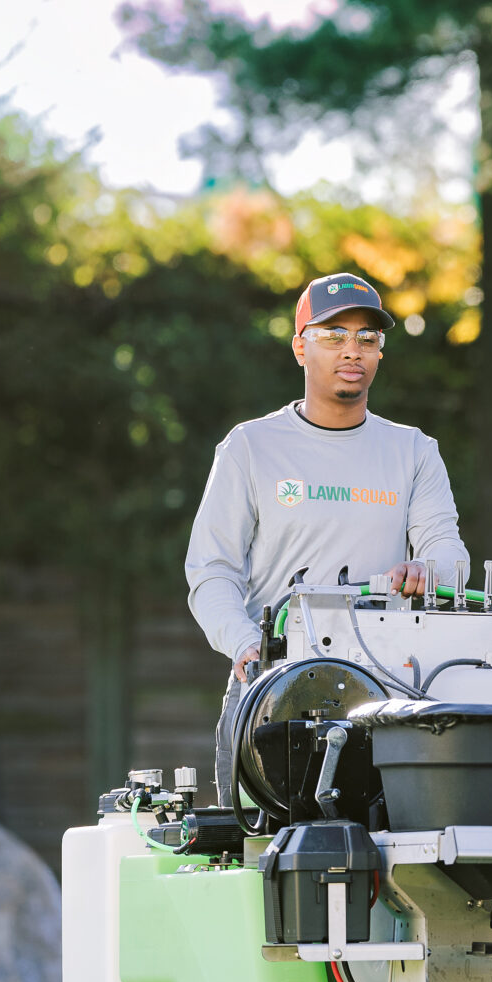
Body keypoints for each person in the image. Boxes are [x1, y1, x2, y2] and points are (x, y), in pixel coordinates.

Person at [185, 269, 469, 804]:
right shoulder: (251, 447)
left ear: (380, 353)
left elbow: (448, 552)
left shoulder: (413, 451)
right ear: (300, 347)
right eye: (333, 336)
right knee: (259, 861)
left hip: (384, 694)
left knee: (390, 863)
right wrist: (246, 644)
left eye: (367, 339)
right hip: (271, 691)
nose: (352, 351)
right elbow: (211, 570)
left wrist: (428, 571)